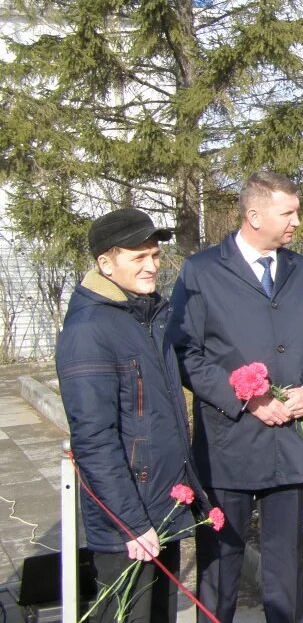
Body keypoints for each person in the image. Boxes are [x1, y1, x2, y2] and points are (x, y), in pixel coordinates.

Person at [168, 171, 303, 623]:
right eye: (288, 212)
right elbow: (185, 353)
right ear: (253, 215)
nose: (297, 222)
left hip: (290, 442)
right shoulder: (202, 272)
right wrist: (246, 399)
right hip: (229, 445)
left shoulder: (302, 271)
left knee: (286, 566)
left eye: (297, 211)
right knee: (220, 570)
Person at [56, 208, 196, 623]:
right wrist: (131, 524)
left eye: (154, 255)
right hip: (128, 524)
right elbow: (94, 440)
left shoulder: (146, 315)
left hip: (160, 507)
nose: (152, 266)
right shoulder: (89, 330)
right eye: (138, 258)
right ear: (105, 263)